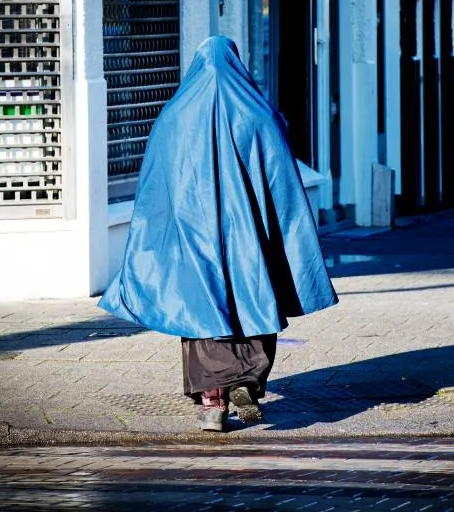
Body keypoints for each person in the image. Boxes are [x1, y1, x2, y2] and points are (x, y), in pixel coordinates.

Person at [98, 36, 338, 432]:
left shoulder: (174, 117)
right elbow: (281, 179)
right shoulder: (260, 115)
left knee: (202, 312)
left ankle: (213, 401)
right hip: (249, 241)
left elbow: (156, 185)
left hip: (196, 240)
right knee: (254, 300)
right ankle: (244, 382)